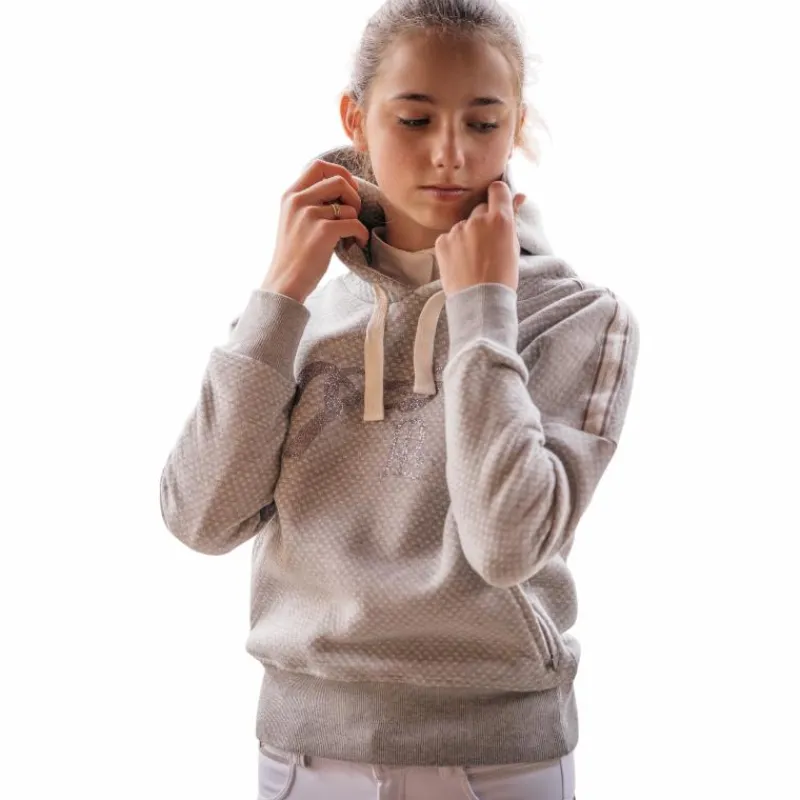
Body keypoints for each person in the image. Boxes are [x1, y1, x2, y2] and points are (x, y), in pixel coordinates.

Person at [159, 1, 639, 797]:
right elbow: (200, 519)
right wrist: (279, 293)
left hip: (501, 761)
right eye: (415, 119)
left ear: (516, 126)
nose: (450, 153)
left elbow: (506, 546)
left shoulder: (577, 316)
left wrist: (483, 312)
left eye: (483, 123)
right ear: (356, 119)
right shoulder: (298, 317)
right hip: (302, 756)